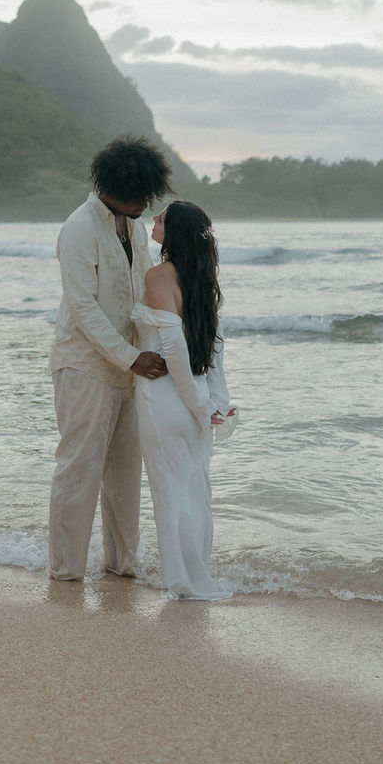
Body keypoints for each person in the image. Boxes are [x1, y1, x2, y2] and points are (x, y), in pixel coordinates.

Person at [48, 135, 173, 581]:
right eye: (140, 196)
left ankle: (123, 566)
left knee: (125, 473)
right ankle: (66, 571)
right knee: (79, 468)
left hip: (131, 365)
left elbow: (141, 293)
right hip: (84, 365)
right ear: (116, 186)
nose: (145, 203)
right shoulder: (80, 228)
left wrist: (158, 353)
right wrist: (130, 356)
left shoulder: (134, 226)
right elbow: (83, 308)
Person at [132, 201, 237, 601]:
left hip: (166, 400)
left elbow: (174, 347)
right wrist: (215, 401)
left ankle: (185, 583)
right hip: (194, 400)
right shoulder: (202, 279)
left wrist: (201, 406)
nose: (152, 223)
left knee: (171, 494)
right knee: (196, 491)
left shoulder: (159, 275)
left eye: (159, 219)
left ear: (173, 232)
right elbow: (215, 349)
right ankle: (196, 576)